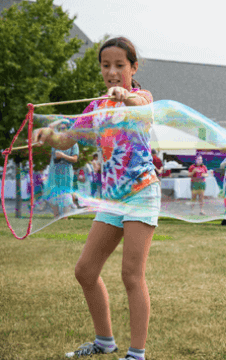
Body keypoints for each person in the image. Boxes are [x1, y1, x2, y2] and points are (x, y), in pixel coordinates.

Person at [33, 37, 159, 360]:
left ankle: (136, 354)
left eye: (120, 65)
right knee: (85, 270)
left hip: (141, 192)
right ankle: (104, 341)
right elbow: (68, 136)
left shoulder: (142, 97)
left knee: (131, 274)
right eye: (106, 66)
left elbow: (141, 105)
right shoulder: (96, 107)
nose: (112, 72)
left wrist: (125, 95)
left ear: (133, 67)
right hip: (112, 198)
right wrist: (49, 136)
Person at [46, 120, 79, 218]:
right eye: (60, 128)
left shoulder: (73, 143)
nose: (62, 130)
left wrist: (63, 155)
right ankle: (56, 217)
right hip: (54, 172)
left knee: (66, 195)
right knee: (53, 193)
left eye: (64, 128)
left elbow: (75, 159)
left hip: (66, 173)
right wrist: (61, 120)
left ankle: (65, 218)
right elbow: (50, 126)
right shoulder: (55, 141)